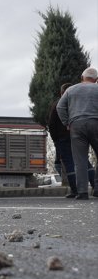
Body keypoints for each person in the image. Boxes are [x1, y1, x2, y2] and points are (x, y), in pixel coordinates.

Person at [57, 66, 98, 200]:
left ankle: (82, 192)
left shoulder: (71, 89)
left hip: (76, 125)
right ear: (96, 79)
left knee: (80, 160)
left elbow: (60, 107)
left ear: (82, 78)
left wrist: (66, 122)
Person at [48, 83, 95, 197]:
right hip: (79, 133)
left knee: (69, 164)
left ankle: (76, 190)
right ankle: (95, 186)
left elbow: (52, 124)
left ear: (62, 93)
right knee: (84, 162)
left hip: (63, 138)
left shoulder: (58, 105)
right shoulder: (77, 104)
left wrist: (56, 140)